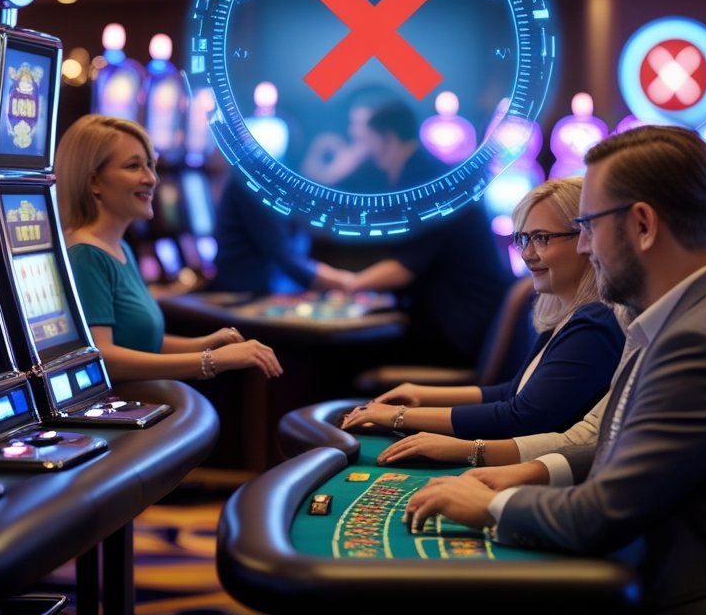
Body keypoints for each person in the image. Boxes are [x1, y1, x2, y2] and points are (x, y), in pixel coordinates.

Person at [406, 125, 706, 615]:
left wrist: (491, 507)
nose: (584, 247)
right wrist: (527, 474)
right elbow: (637, 456)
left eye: (588, 225)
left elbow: (602, 516)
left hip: (675, 592)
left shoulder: (701, 342)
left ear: (643, 225)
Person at [338, 177, 626, 464]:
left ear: (586, 239)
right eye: (523, 239)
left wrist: (402, 417)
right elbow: (513, 392)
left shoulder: (596, 321)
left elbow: (521, 417)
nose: (527, 254)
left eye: (541, 238)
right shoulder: (566, 312)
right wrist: (419, 394)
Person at [55, 114, 283, 384]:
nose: (151, 179)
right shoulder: (86, 255)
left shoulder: (121, 248)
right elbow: (104, 359)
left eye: (151, 166)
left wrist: (206, 343)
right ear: (93, 181)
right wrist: (212, 360)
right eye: (133, 166)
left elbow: (142, 344)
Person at [343, 99, 514, 365]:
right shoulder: (423, 175)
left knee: (343, 357)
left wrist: (346, 285)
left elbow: (403, 268)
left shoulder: (428, 186)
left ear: (387, 139)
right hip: (456, 323)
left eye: (367, 141)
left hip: (458, 333)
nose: (363, 151)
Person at [209, 171, 355, 295]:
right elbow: (285, 256)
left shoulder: (289, 181)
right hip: (244, 297)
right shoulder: (254, 177)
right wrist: (350, 283)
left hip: (273, 292)